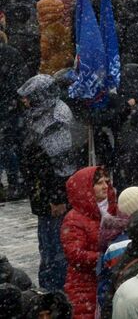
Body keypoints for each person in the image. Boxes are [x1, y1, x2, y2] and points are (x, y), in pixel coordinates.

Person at [20, 73, 79, 292]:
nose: (25, 101)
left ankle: (57, 292)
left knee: (55, 248)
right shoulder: (39, 114)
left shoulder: (56, 118)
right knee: (47, 245)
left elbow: (62, 165)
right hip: (42, 195)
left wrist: (56, 198)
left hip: (53, 199)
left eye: (29, 96)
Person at [60, 166, 118, 319]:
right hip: (84, 285)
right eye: (99, 183)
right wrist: (104, 258)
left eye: (107, 181)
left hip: (109, 280)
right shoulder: (73, 219)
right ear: (86, 188)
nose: (105, 186)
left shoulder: (113, 211)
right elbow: (74, 254)